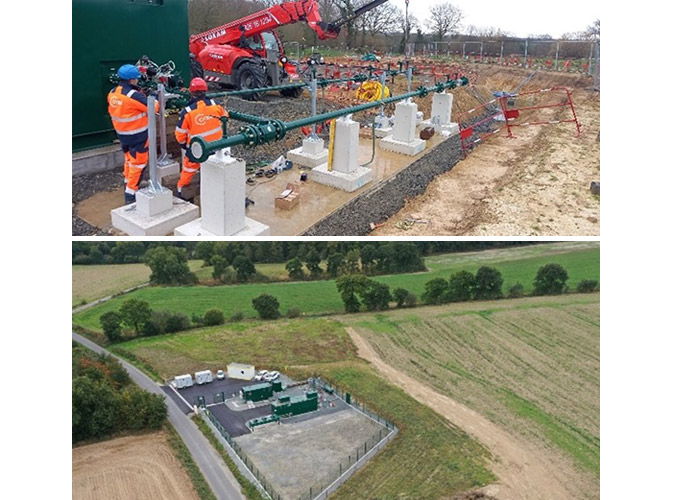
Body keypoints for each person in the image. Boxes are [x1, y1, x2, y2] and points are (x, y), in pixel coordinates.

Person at [107, 64, 159, 204]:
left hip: (123, 135)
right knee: (139, 164)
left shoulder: (113, 93)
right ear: (132, 80)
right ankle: (131, 194)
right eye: (136, 79)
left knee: (129, 159)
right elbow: (153, 108)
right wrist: (153, 97)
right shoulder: (133, 95)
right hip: (138, 135)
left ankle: (127, 182)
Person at [175, 78, 228, 197]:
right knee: (217, 170)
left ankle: (181, 192)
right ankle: (220, 192)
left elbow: (180, 134)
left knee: (188, 170)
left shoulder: (188, 112)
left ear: (191, 92)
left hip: (197, 150)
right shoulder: (216, 106)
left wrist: (184, 145)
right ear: (205, 90)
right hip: (216, 147)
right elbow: (225, 116)